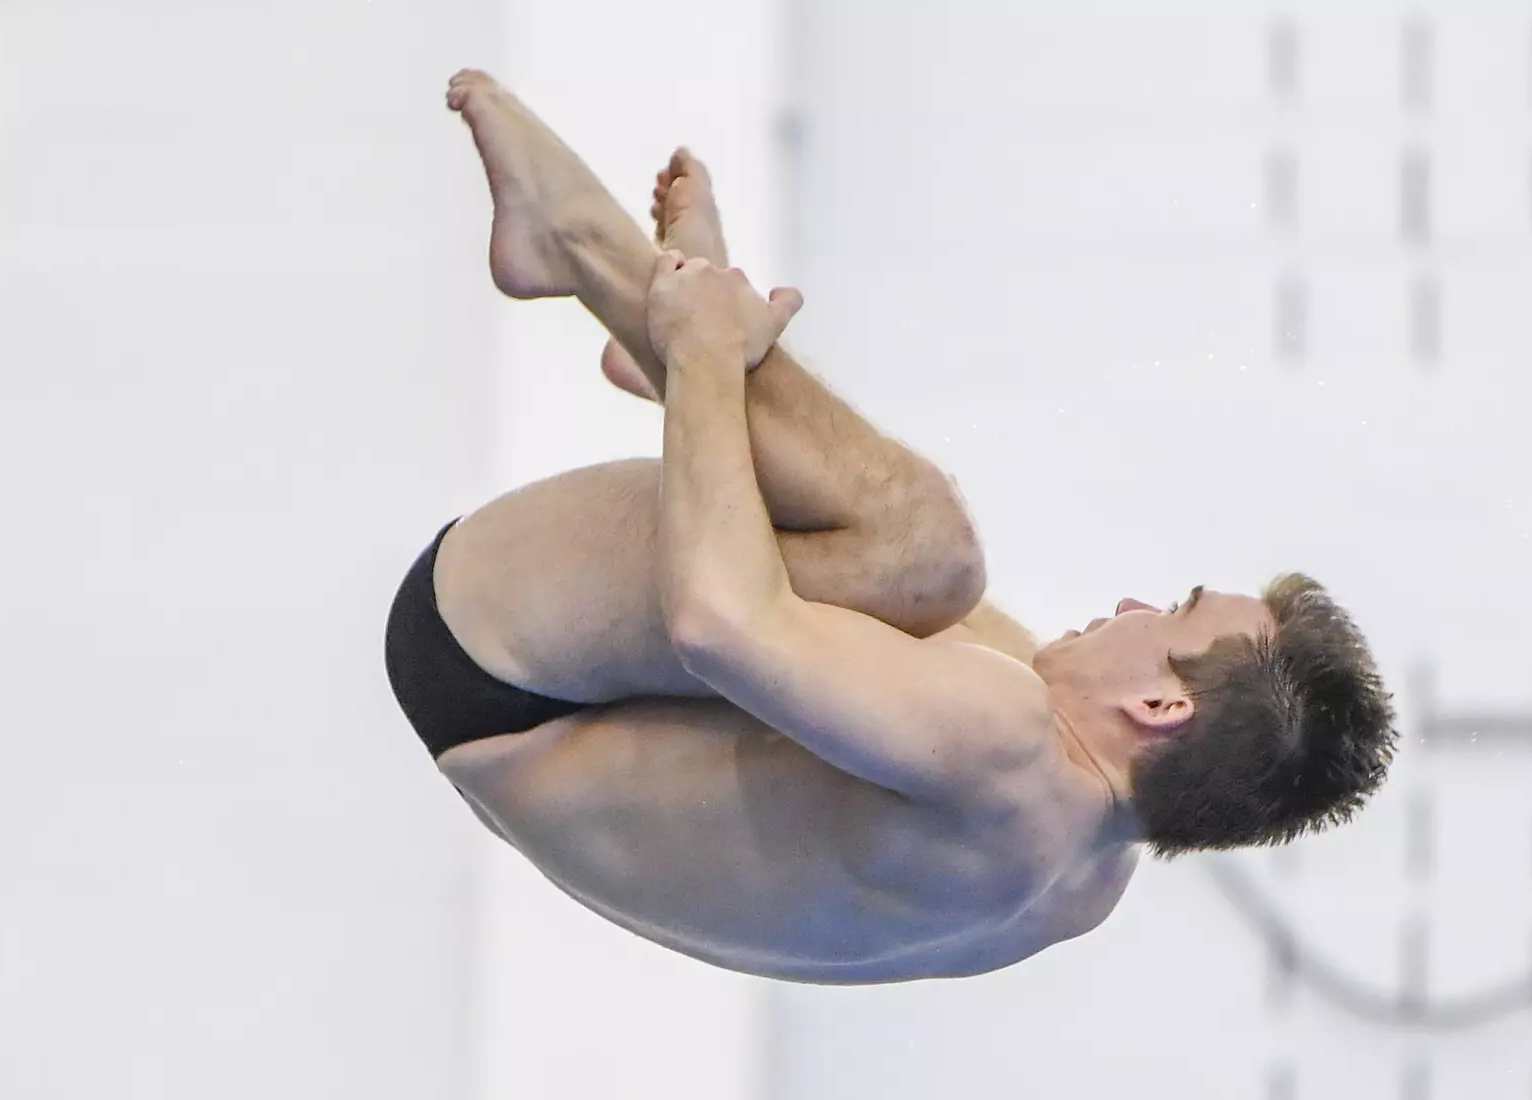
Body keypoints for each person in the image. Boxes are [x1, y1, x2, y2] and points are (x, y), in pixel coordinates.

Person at [384, 69, 1398, 984]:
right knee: (948, 598)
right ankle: (700, 374)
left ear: (1161, 703)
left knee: (930, 551)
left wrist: (698, 356)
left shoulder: (998, 738)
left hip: (499, 651)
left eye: (1174, 611)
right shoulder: (1077, 884)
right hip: (515, 735)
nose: (1136, 600)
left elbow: (713, 623)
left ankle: (608, 269)